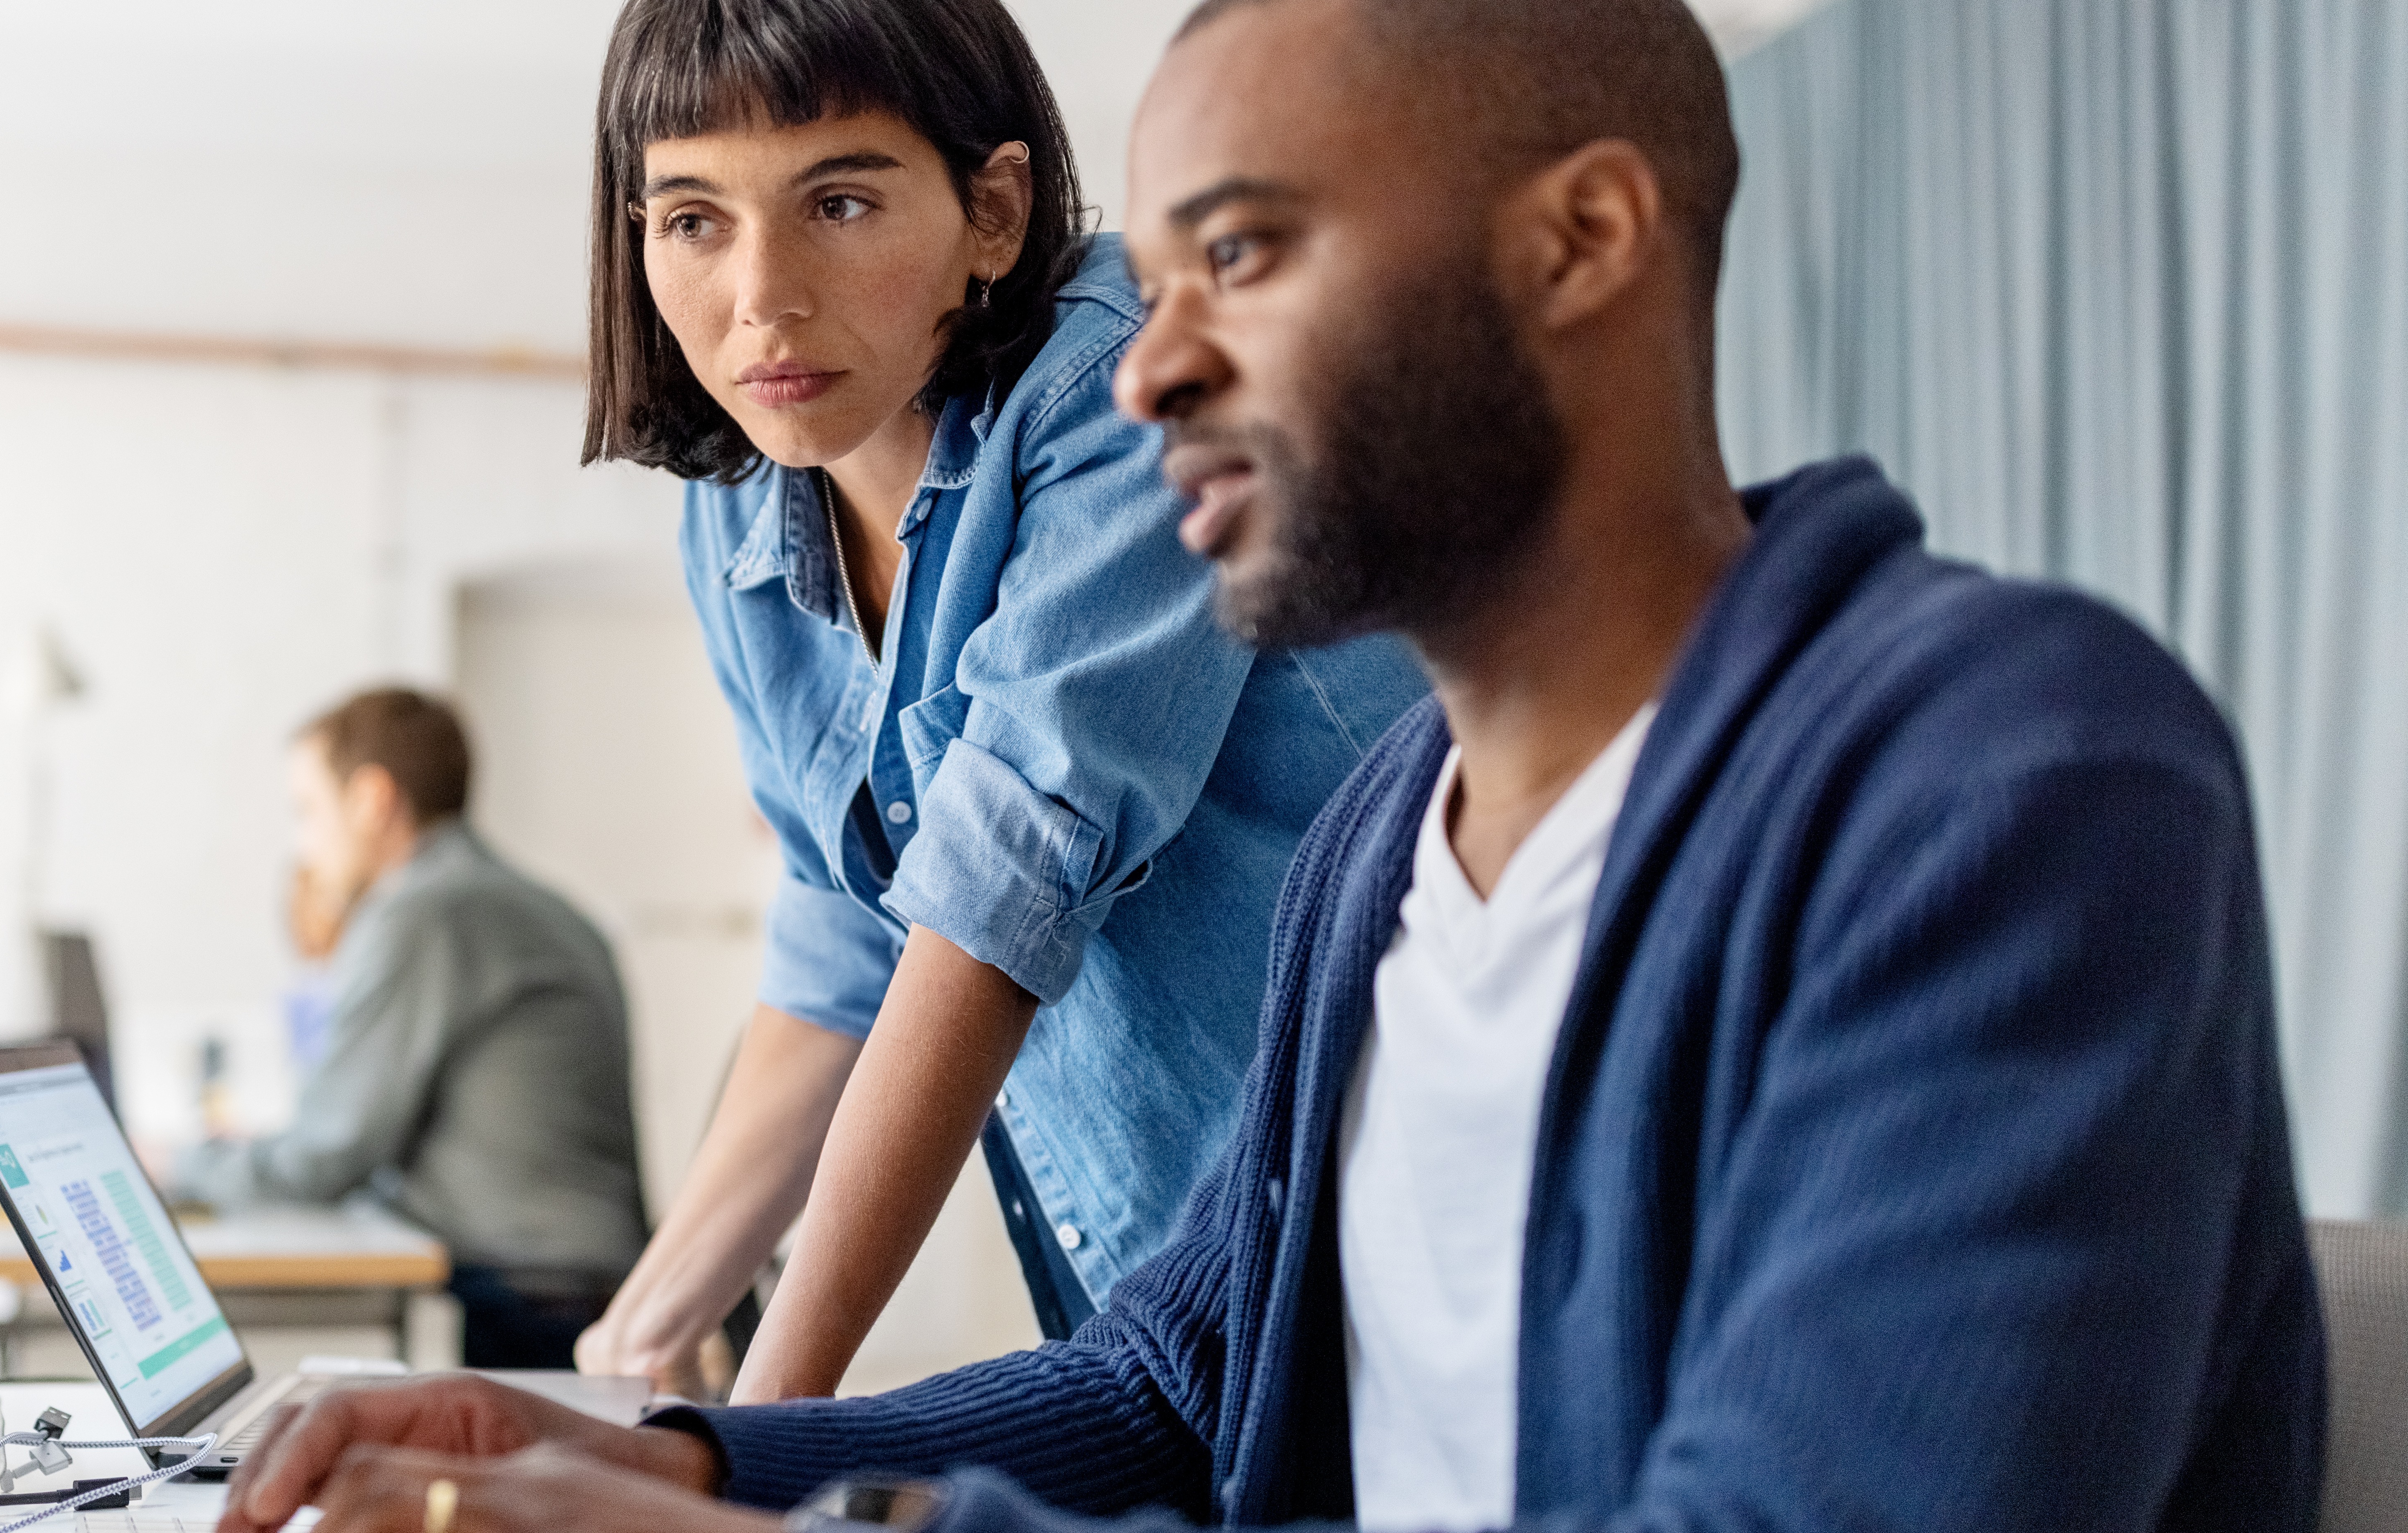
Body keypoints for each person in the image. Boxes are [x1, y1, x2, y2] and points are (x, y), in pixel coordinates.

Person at [208, 0, 2326, 1527]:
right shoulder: (1388, 850)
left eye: (1241, 252)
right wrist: (665, 1451)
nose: (1147, 361)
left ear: (1581, 242)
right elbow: (1168, 1380)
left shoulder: (2013, 783)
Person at [572, 0, 1429, 1401]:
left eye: (837, 199)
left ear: (994, 209)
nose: (761, 297)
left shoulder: (1130, 389)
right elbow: (845, 944)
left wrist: (754, 1436)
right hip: (1167, 1308)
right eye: (692, 219)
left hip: (1406, 1243)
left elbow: (995, 894)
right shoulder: (734, 512)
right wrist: (645, 1338)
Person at [169, 687, 648, 1369]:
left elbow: (325, 1156)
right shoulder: (531, 902)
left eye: (306, 811)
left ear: (371, 799)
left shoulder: (424, 913)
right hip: (585, 1284)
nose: (303, 843)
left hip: (528, 1298)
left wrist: (183, 1162)